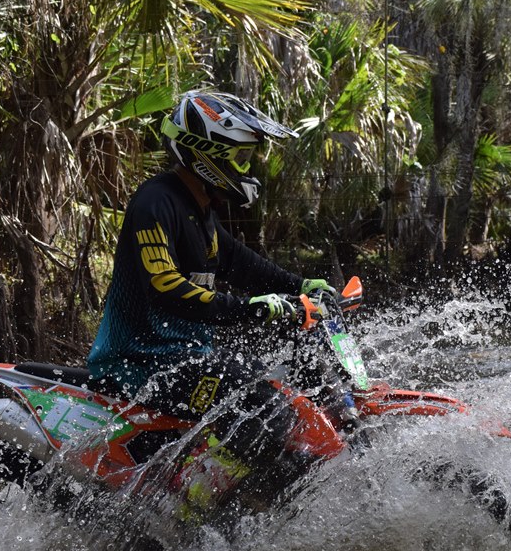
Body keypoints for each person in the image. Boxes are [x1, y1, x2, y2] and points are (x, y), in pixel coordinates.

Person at [87, 90, 333, 477]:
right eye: (240, 157)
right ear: (207, 153)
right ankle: (199, 516)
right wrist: (250, 309)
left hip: (184, 357)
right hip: (139, 363)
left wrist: (301, 284)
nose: (246, 167)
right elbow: (165, 287)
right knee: (262, 405)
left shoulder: (199, 209)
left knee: (274, 393)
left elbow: (240, 263)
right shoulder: (156, 202)